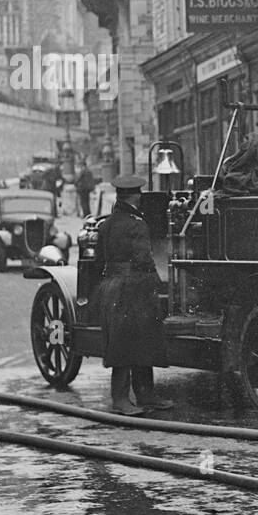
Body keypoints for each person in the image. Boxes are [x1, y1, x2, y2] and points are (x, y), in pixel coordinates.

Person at [95, 174, 173, 415]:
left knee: (122, 343)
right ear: (135, 197)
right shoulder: (137, 224)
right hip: (135, 288)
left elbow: (99, 259)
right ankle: (134, 397)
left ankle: (130, 397)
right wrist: (159, 285)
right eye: (138, 194)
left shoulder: (106, 224)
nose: (140, 198)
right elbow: (144, 260)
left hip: (113, 285)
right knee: (140, 341)